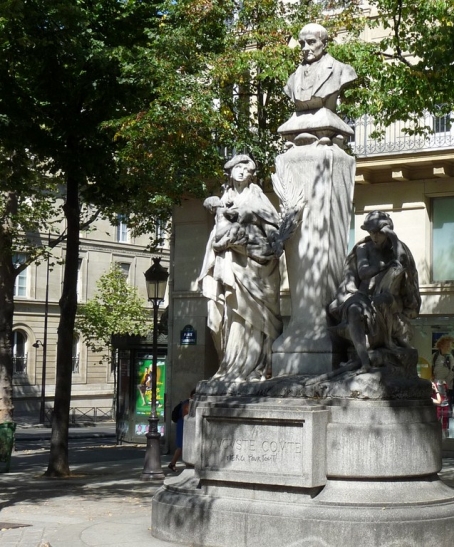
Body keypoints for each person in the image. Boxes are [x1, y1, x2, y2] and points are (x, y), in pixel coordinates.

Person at [197, 154, 283, 382]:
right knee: (228, 317)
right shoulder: (223, 198)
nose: (242, 172)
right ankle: (232, 366)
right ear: (230, 172)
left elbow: (272, 225)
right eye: (238, 168)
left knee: (253, 319)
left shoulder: (257, 197)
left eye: (246, 169)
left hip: (256, 268)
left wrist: (275, 244)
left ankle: (255, 366)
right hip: (230, 267)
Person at [328, 211, 421, 371]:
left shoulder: (396, 249)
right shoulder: (363, 248)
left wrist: (392, 237)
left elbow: (402, 263)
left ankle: (386, 343)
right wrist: (384, 265)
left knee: (383, 300)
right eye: (371, 232)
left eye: (378, 232)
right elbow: (363, 272)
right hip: (362, 296)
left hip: (389, 299)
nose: (375, 236)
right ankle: (364, 361)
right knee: (355, 310)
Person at [284, 23, 357, 113]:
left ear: (324, 44)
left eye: (311, 42)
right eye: (302, 43)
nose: (305, 48)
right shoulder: (292, 80)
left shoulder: (342, 70)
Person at [168, 389, 195, 473]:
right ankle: (172, 463)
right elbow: (185, 416)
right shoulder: (187, 403)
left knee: (183, 446)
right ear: (192, 395)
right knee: (181, 446)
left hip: (184, 425)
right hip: (182, 426)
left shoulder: (189, 403)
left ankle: (174, 463)